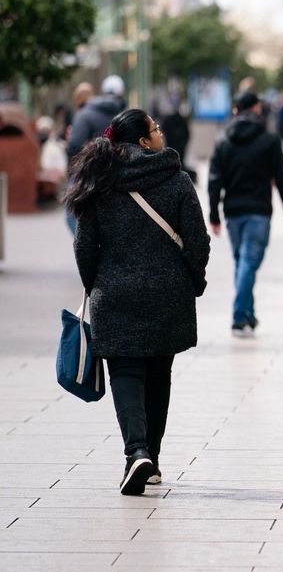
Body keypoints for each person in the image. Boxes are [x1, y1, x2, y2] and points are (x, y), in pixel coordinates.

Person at [68, 108, 210, 495]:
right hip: (168, 293)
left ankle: (137, 452)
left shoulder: (100, 180)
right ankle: (153, 460)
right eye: (155, 128)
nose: (161, 132)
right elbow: (197, 240)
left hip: (115, 294)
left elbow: (84, 244)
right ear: (145, 142)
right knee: (159, 373)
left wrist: (95, 283)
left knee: (126, 372)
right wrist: (193, 281)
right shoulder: (176, 180)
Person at [208, 91, 283, 338]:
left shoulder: (223, 140)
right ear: (257, 109)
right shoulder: (268, 139)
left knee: (242, 262)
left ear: (236, 110)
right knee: (248, 263)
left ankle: (248, 313)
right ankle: (239, 317)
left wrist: (214, 214)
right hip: (259, 210)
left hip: (233, 212)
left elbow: (214, 180)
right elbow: (282, 177)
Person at [66, 77, 126, 235]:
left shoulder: (84, 114)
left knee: (71, 213)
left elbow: (74, 145)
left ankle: (89, 248)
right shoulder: (125, 114)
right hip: (119, 172)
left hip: (87, 172)